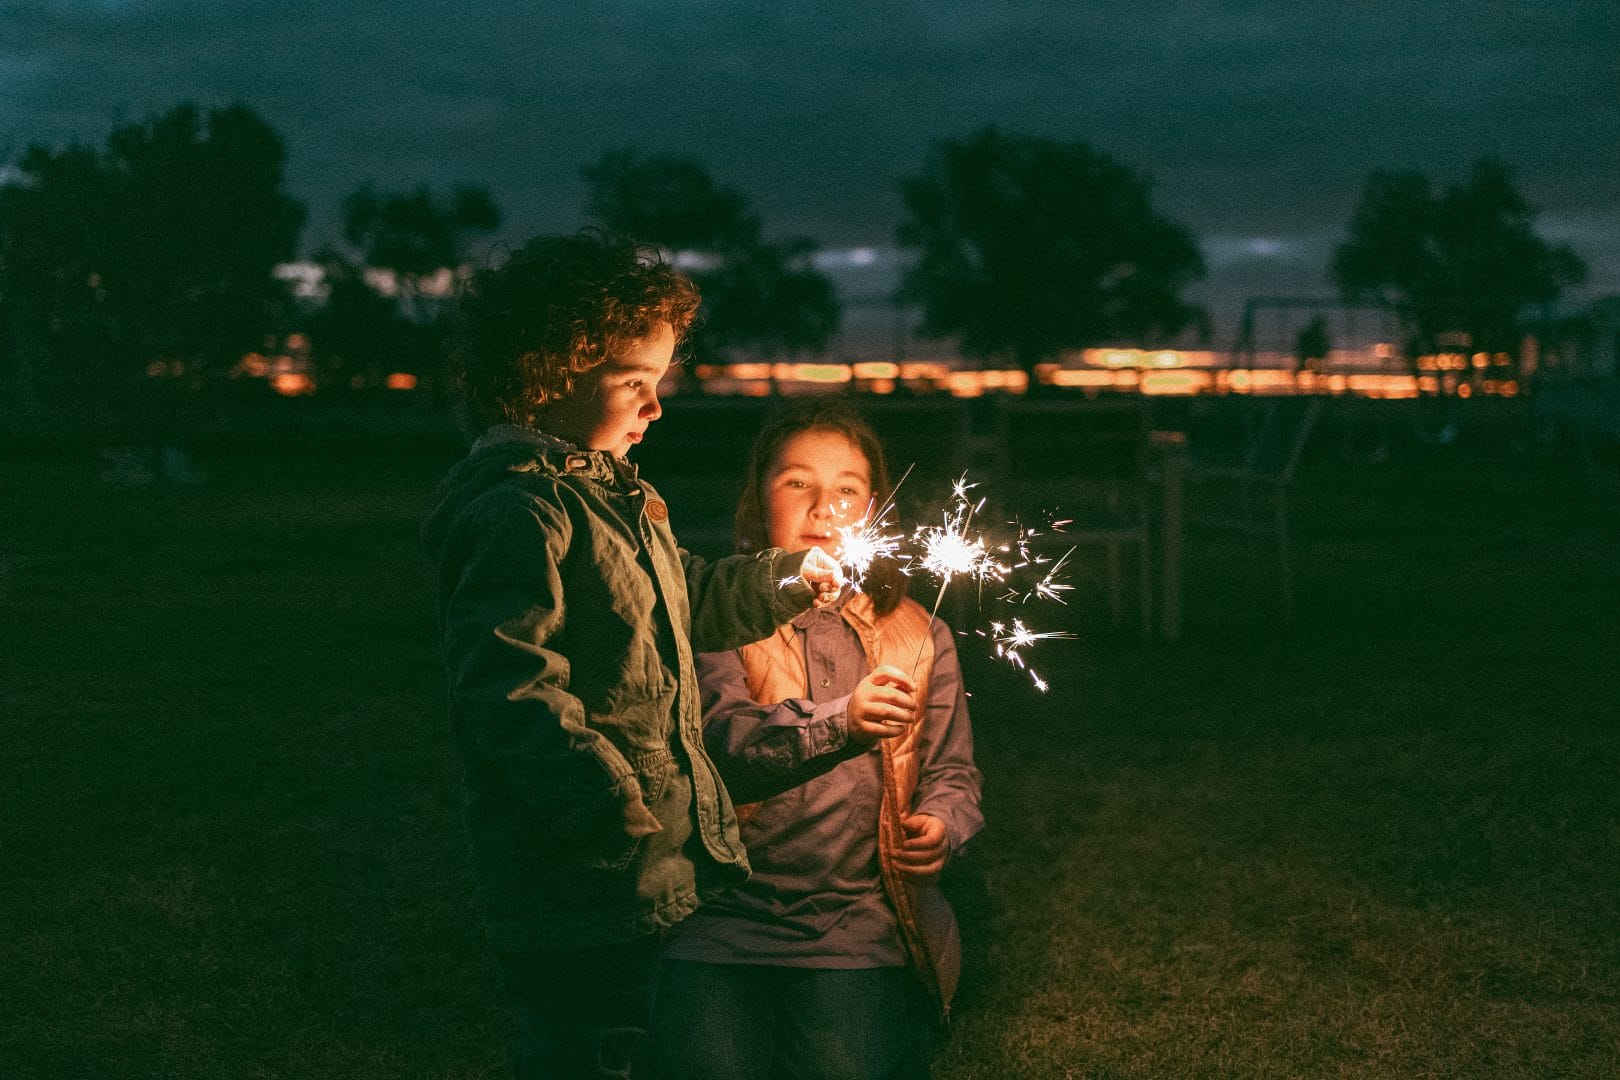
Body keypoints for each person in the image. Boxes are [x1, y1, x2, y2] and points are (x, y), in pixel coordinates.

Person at [421, 232, 843, 1080]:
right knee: (581, 1046)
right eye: (634, 385)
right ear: (549, 373)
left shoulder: (618, 499)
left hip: (638, 857)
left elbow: (683, 599)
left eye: (659, 384)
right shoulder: (522, 513)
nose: (656, 410)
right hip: (574, 866)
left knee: (631, 1039)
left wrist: (785, 582)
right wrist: (597, 788)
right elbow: (508, 682)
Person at [644, 399, 984, 1080]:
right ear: (755, 502)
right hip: (718, 916)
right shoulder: (718, 620)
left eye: (848, 490)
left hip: (852, 925)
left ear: (876, 511)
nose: (824, 507)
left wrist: (942, 825)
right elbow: (721, 748)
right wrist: (842, 725)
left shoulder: (921, 636)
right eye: (797, 482)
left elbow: (954, 775)